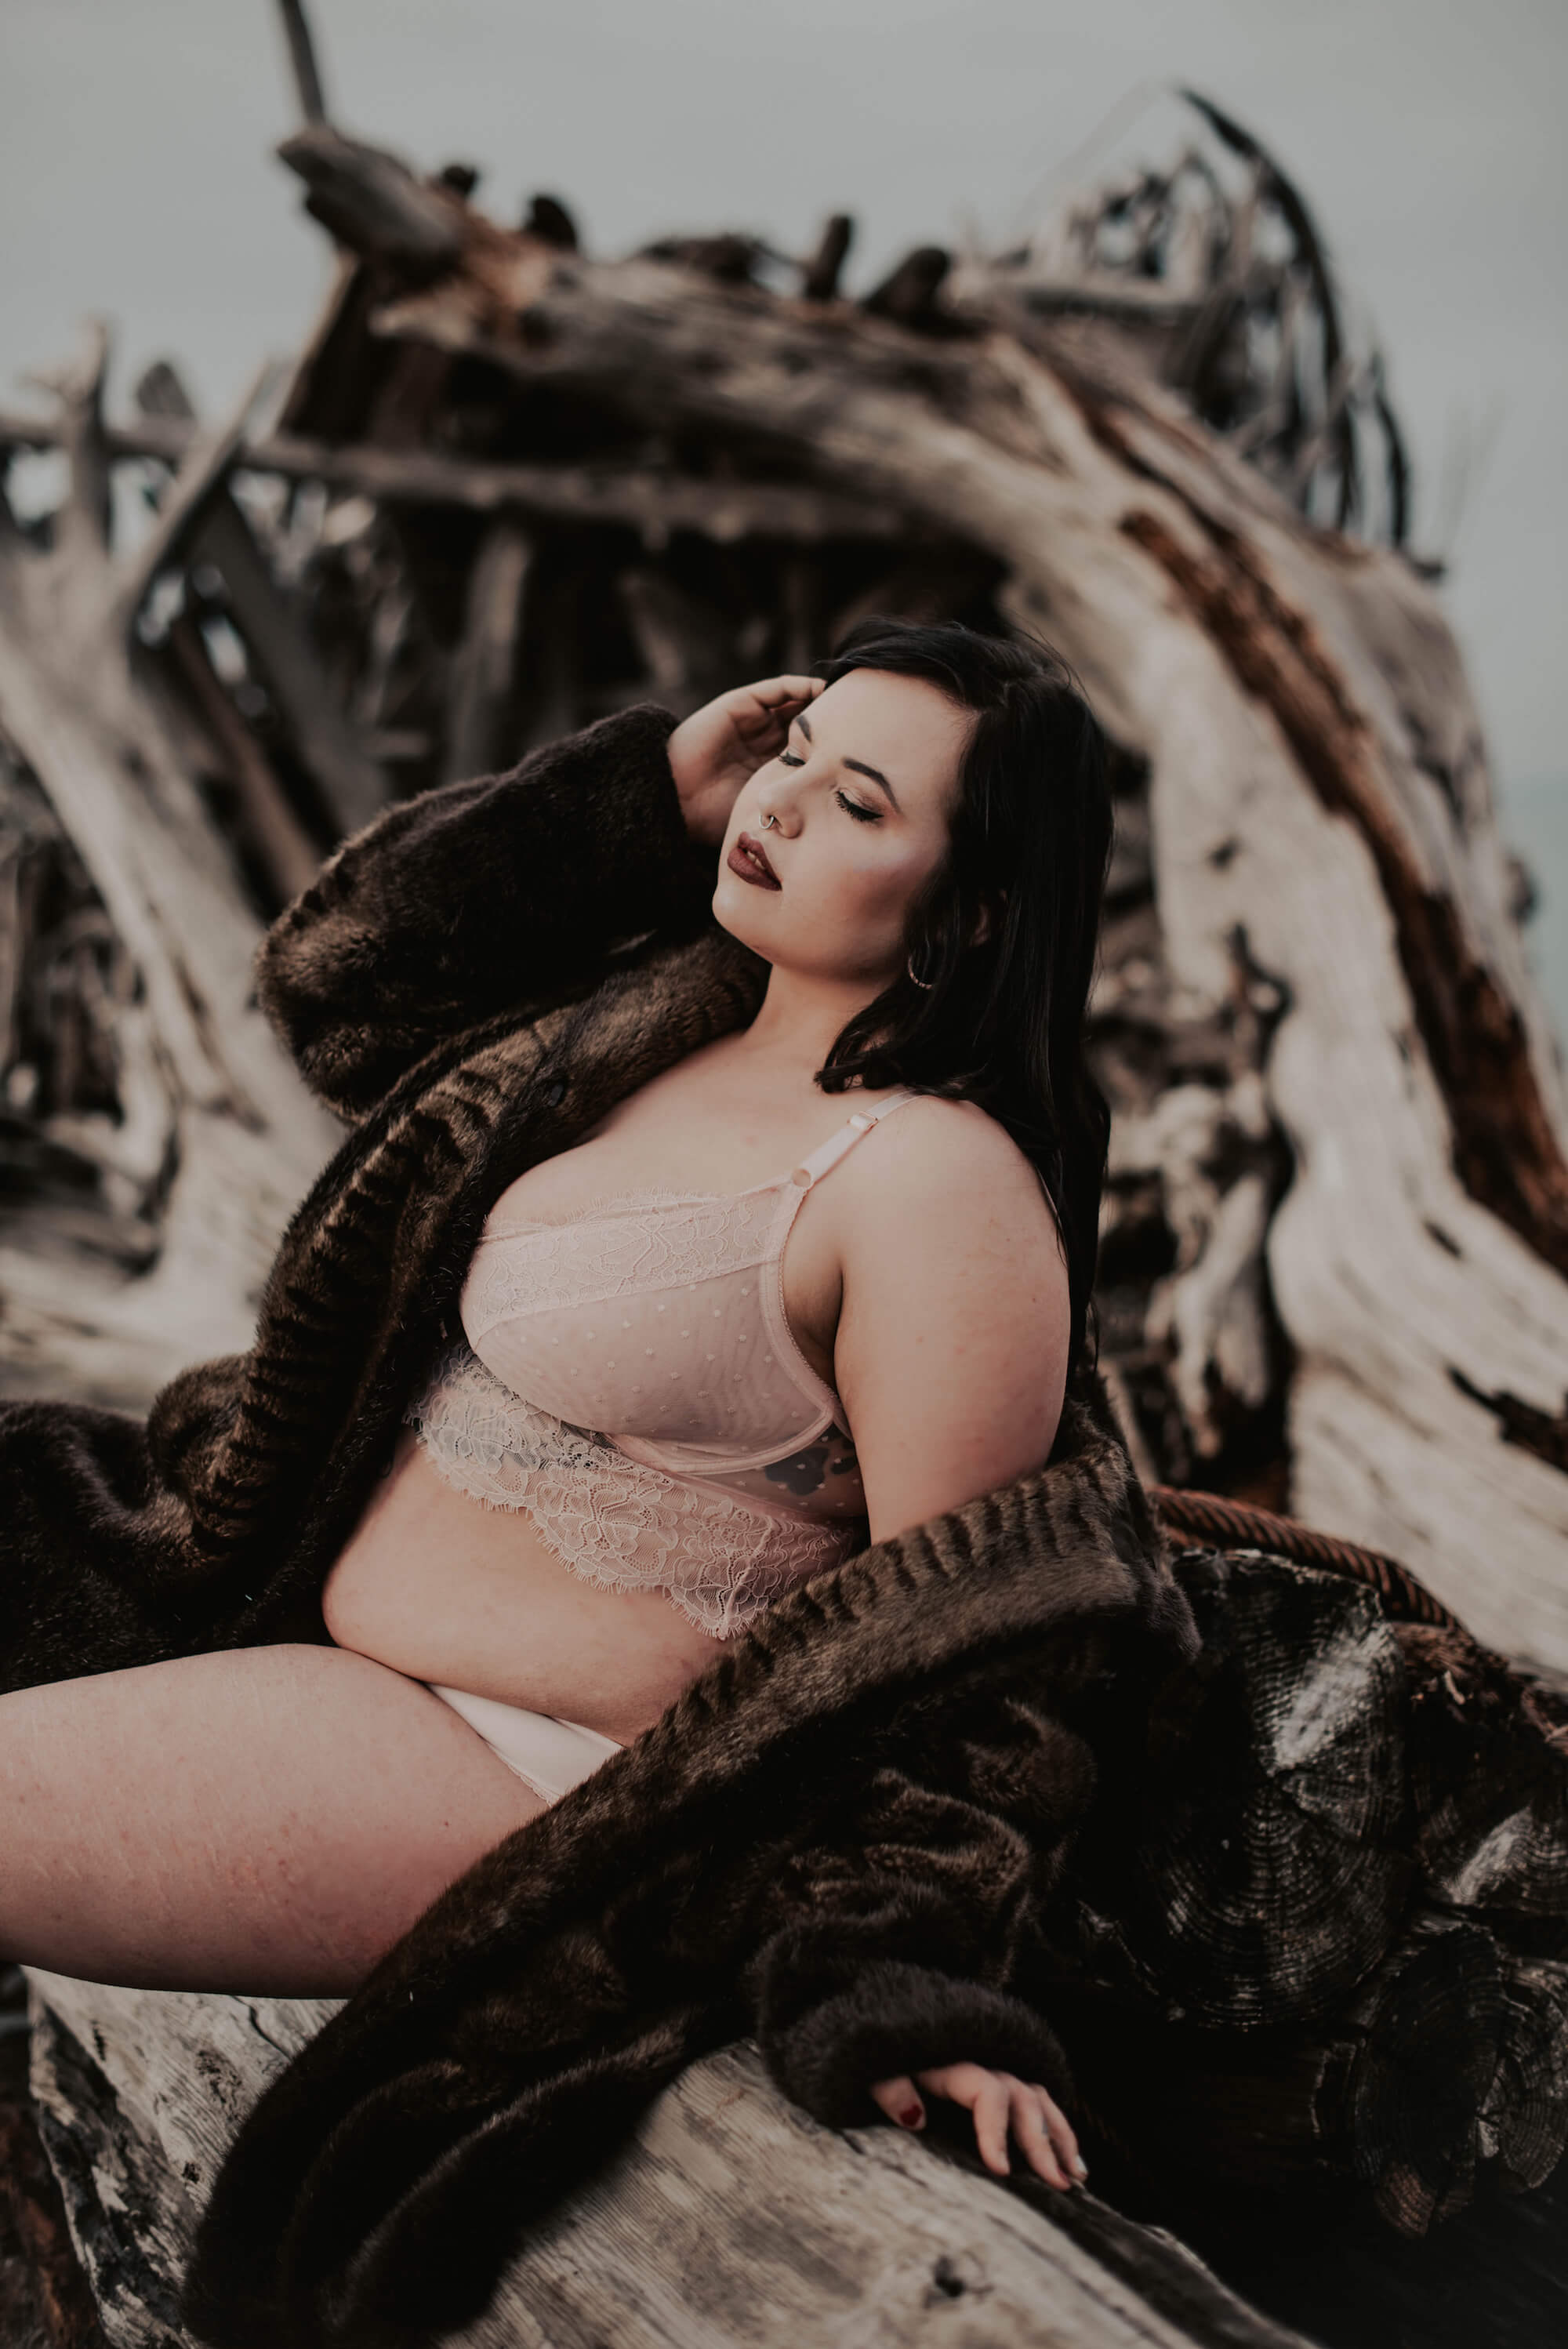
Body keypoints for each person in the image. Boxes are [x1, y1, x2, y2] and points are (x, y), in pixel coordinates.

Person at [0, 615, 1116, 2197]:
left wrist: (912, 1972)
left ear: (975, 907)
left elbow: (968, 1647)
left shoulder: (935, 1186)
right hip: (277, 1593)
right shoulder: (670, 1008)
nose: (783, 805)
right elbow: (335, 979)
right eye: (793, 755)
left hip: (528, 1774)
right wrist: (637, 802)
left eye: (859, 801)